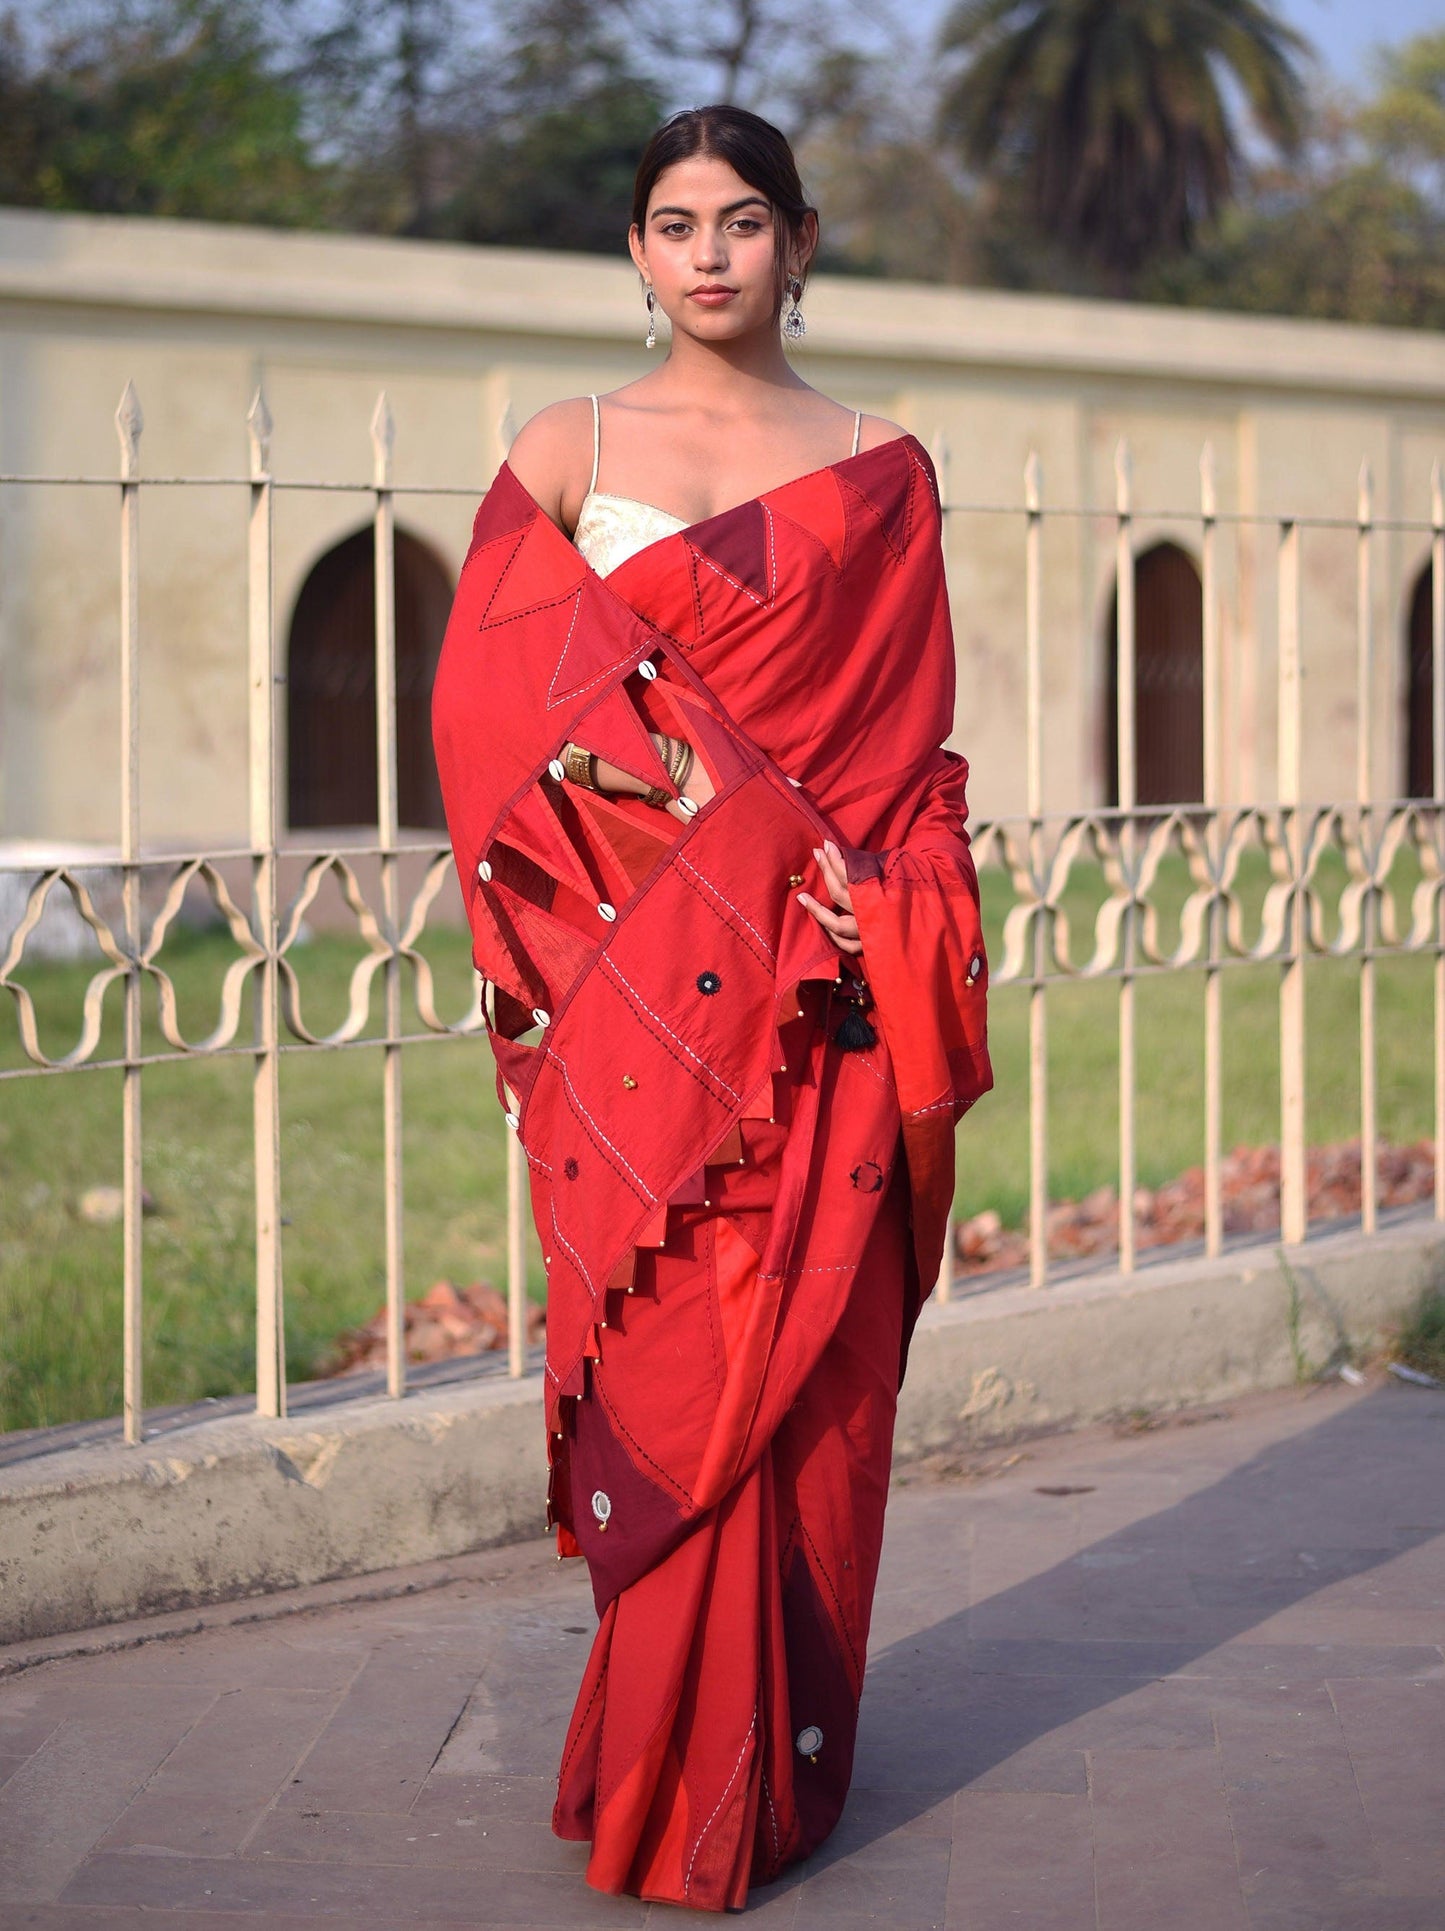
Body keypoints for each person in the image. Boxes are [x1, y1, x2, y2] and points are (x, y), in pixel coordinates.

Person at [431, 102, 993, 1913]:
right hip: (639, 1011)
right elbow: (491, 728)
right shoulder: (566, 446)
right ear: (635, 250)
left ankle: (752, 1773)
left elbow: (911, 761)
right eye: (674, 223)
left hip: (821, 1000)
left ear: (799, 243)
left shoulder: (879, 470)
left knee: (801, 1378)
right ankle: (663, 1759)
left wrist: (883, 905)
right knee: (671, 1357)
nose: (708, 253)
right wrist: (708, 834)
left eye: (743, 219)